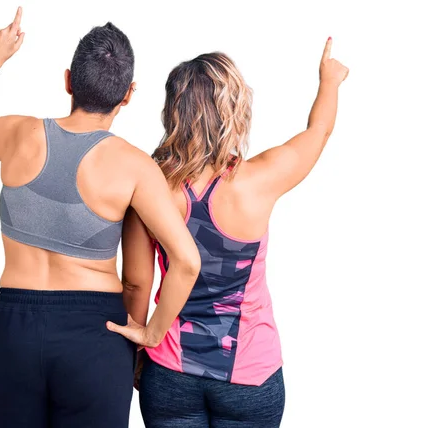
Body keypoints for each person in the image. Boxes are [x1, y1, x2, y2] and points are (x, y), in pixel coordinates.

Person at [0, 7, 200, 428]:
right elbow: (186, 261)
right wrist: (150, 335)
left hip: (14, 331)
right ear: (128, 94)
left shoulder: (18, 133)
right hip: (95, 336)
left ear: (68, 81)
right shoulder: (134, 166)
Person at [121, 39, 348, 427]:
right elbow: (319, 131)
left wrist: (139, 351)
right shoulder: (261, 178)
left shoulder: (150, 186)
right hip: (250, 376)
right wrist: (329, 81)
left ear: (173, 112)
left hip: (171, 370)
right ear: (234, 110)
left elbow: (136, 285)